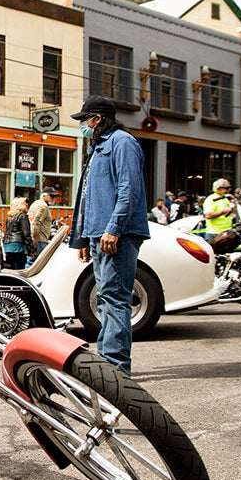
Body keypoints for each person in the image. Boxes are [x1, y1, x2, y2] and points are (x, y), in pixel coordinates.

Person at [69, 96, 149, 375]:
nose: (82, 126)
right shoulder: (98, 147)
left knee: (114, 298)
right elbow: (87, 196)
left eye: (84, 120)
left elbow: (129, 190)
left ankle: (115, 368)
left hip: (118, 234)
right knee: (106, 297)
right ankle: (109, 362)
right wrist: (82, 238)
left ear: (97, 119)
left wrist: (113, 229)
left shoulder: (122, 142)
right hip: (99, 233)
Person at [3, 196, 35, 269]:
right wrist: (31, 247)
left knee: (12, 267)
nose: (28, 206)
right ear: (21, 206)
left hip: (7, 245)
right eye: (26, 205)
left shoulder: (9, 217)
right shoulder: (22, 216)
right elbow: (26, 233)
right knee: (19, 267)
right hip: (18, 245)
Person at [201, 178, 235, 243]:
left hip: (225, 232)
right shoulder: (211, 199)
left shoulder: (225, 199)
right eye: (227, 188)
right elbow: (208, 215)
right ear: (219, 188)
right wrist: (223, 211)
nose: (229, 189)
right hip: (214, 233)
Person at [29, 187, 58, 259]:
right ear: (44, 196)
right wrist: (35, 240)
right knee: (39, 261)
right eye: (51, 196)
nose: (53, 199)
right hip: (39, 239)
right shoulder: (43, 206)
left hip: (33, 237)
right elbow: (36, 223)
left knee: (32, 261)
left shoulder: (35, 203)